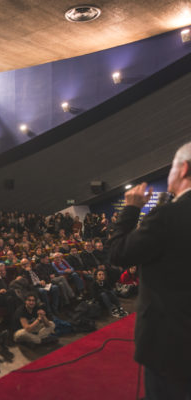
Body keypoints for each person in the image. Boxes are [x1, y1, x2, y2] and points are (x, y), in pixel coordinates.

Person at [109, 142, 191, 400]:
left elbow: (118, 254)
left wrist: (131, 209)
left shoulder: (168, 216)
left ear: (183, 169)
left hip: (172, 344)